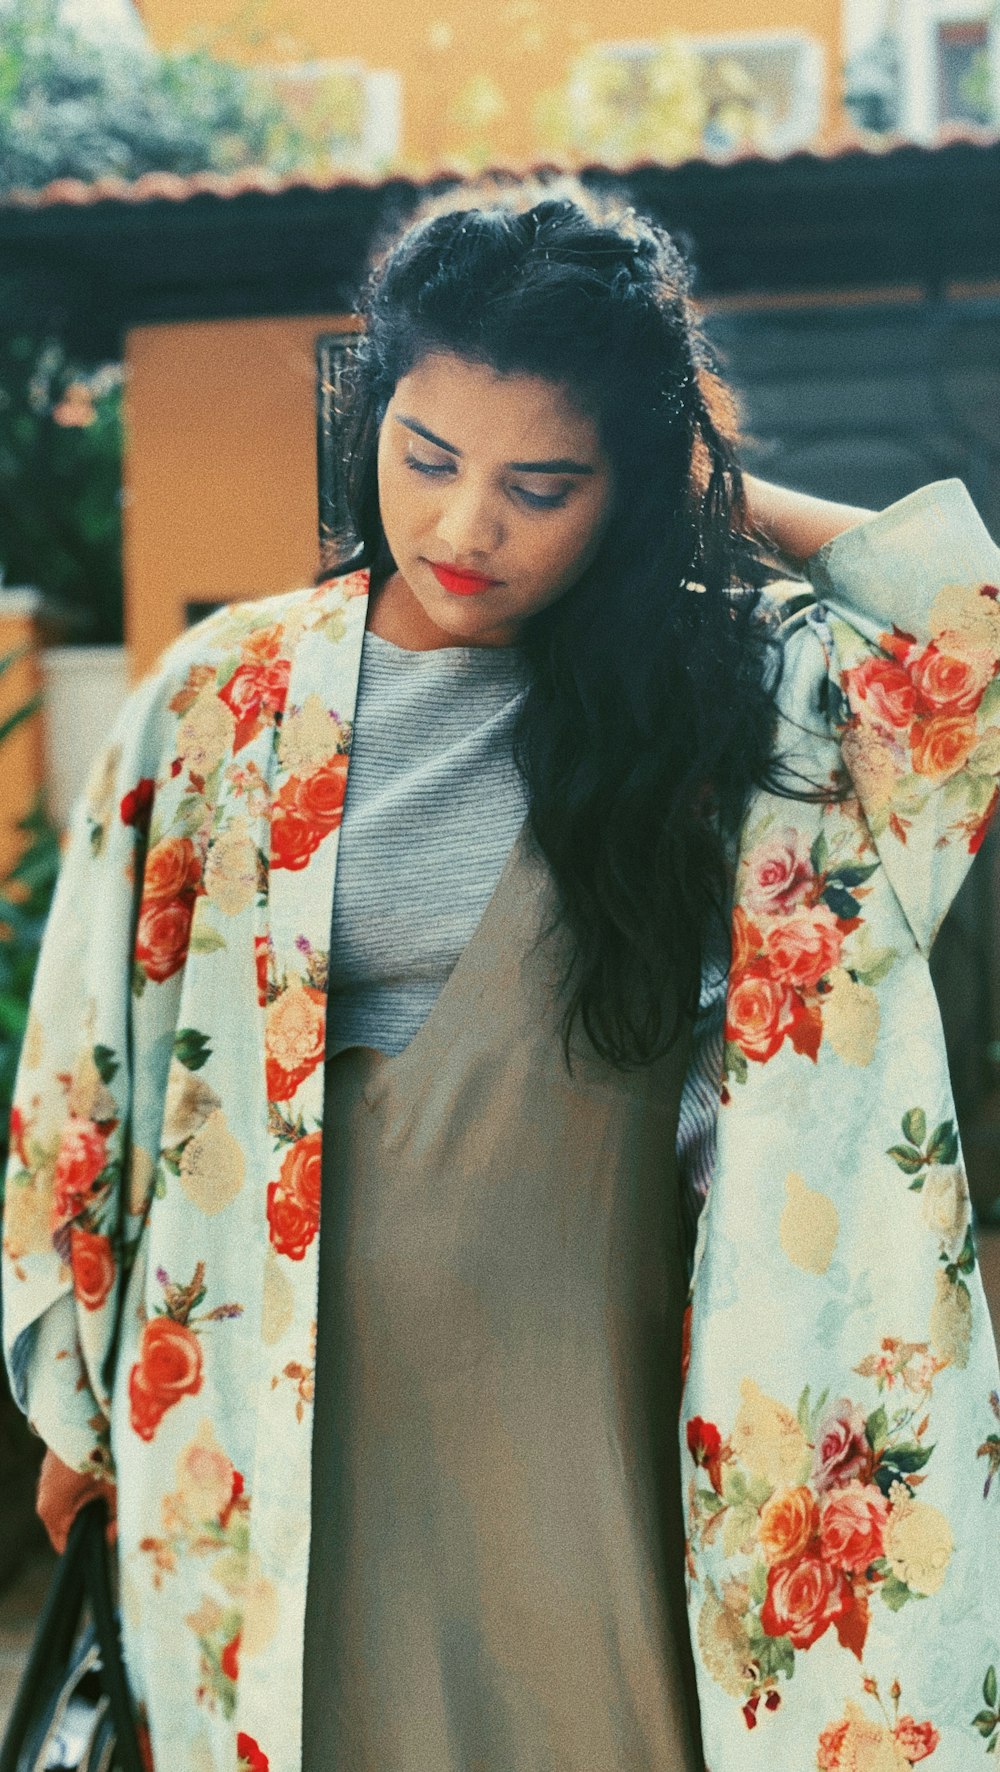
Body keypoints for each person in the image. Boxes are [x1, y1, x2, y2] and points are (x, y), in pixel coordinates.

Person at [4, 175, 1000, 1772]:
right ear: (369, 414)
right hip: (267, 1405)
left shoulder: (728, 700)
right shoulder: (225, 700)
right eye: (428, 457)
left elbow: (969, 652)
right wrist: (76, 1398)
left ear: (635, 483)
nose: (469, 527)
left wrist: (707, 505)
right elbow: (87, 1062)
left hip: (593, 1402)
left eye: (546, 482)